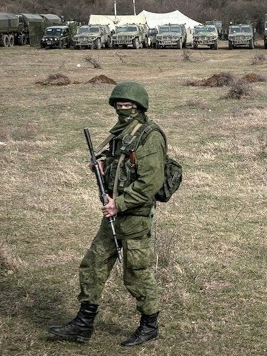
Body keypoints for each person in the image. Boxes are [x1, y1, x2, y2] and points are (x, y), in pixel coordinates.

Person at [49, 81, 168, 347]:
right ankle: (83, 324)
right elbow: (120, 166)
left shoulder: (150, 136)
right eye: (118, 106)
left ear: (139, 108)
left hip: (135, 216)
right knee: (93, 264)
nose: (122, 110)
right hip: (113, 214)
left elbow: (150, 183)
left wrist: (120, 203)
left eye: (127, 106)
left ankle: (149, 326)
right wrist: (103, 167)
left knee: (136, 273)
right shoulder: (121, 133)